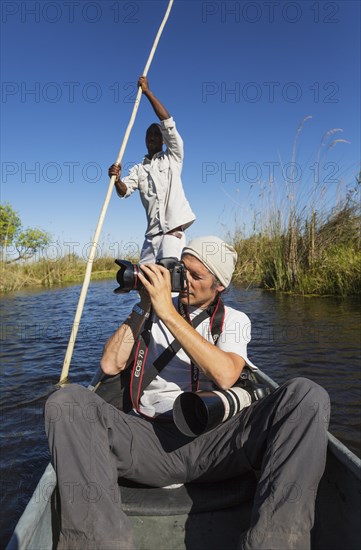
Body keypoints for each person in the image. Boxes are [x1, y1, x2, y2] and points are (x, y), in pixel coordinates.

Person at [45, 235, 330, 550]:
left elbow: (225, 374)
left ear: (219, 286)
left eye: (198, 276)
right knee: (66, 402)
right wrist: (144, 306)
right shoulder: (148, 313)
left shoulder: (233, 321)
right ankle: (99, 543)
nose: (187, 281)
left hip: (215, 444)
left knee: (307, 395)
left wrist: (168, 313)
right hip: (148, 440)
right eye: (183, 270)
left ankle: (273, 543)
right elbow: (110, 366)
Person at [108, 76, 196, 263]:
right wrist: (117, 179)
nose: (153, 137)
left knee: (169, 283)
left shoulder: (173, 156)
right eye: (149, 135)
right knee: (144, 284)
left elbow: (167, 121)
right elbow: (124, 192)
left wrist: (147, 92)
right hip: (151, 237)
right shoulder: (139, 169)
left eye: (157, 134)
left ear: (164, 140)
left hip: (172, 234)